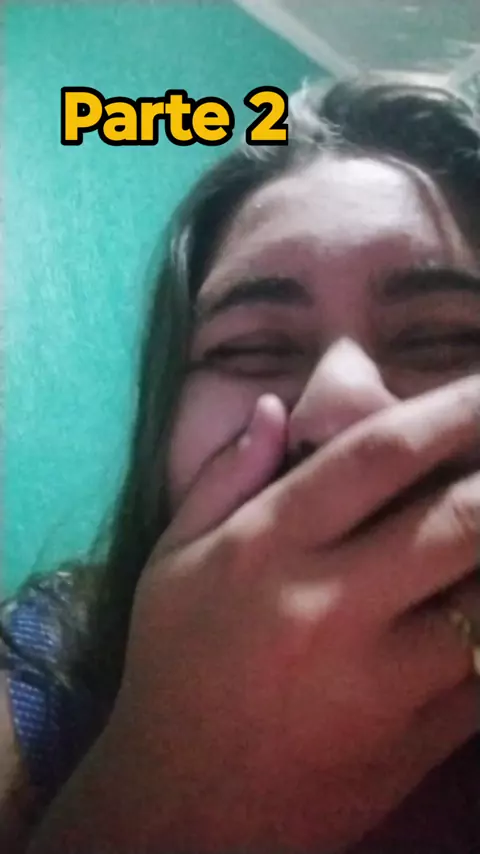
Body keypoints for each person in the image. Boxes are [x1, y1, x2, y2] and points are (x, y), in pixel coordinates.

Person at [1, 72, 480, 853]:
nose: (344, 405)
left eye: (445, 339)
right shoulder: (44, 660)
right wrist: (156, 792)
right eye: (251, 349)